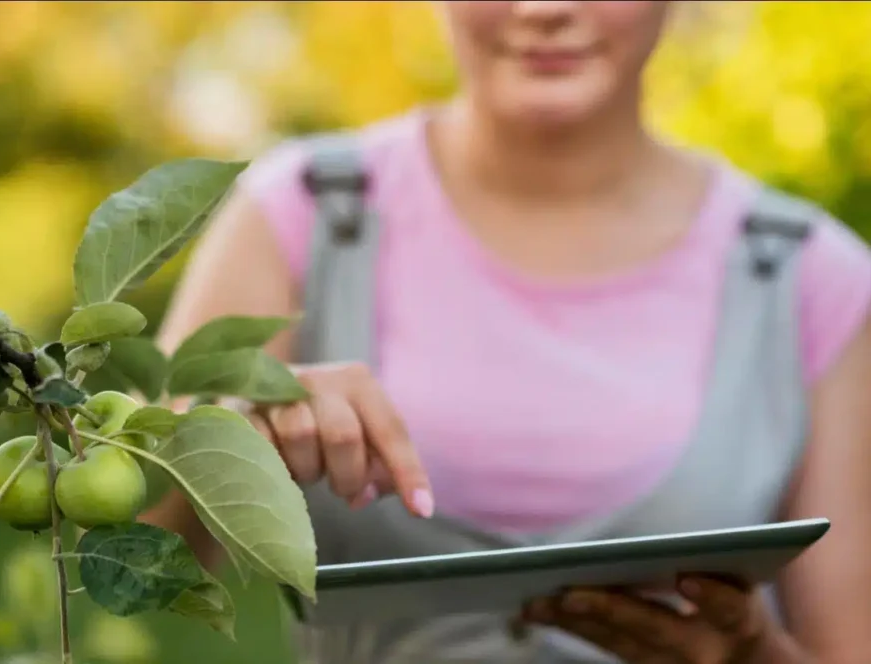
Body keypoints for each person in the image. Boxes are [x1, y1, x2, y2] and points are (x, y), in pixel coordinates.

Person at [141, 2, 871, 662]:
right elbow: (135, 554)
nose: (546, 8)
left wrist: (753, 658)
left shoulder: (815, 278)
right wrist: (232, 435)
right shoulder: (297, 215)